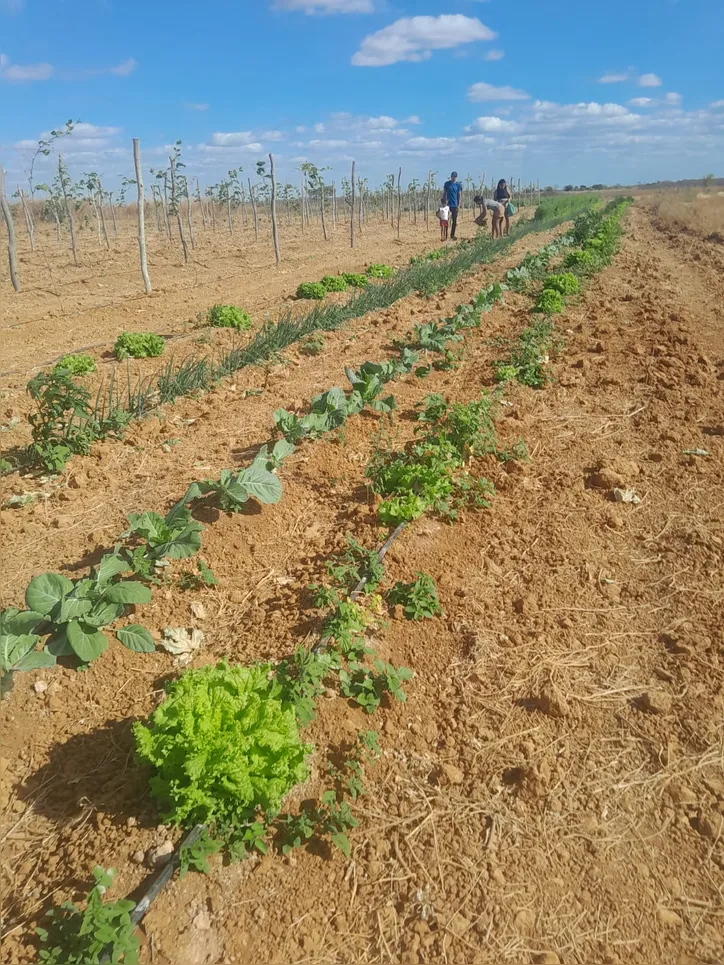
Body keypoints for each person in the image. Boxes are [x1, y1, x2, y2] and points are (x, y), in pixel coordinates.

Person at [441, 171, 462, 240]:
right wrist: (443, 202)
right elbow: (444, 193)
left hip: (455, 205)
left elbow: (459, 195)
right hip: (447, 205)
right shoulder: (447, 184)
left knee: (454, 221)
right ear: (451, 176)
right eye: (453, 176)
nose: (454, 178)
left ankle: (452, 235)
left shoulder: (458, 185)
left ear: (456, 177)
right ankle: (445, 235)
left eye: (455, 177)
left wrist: (459, 205)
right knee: (446, 220)